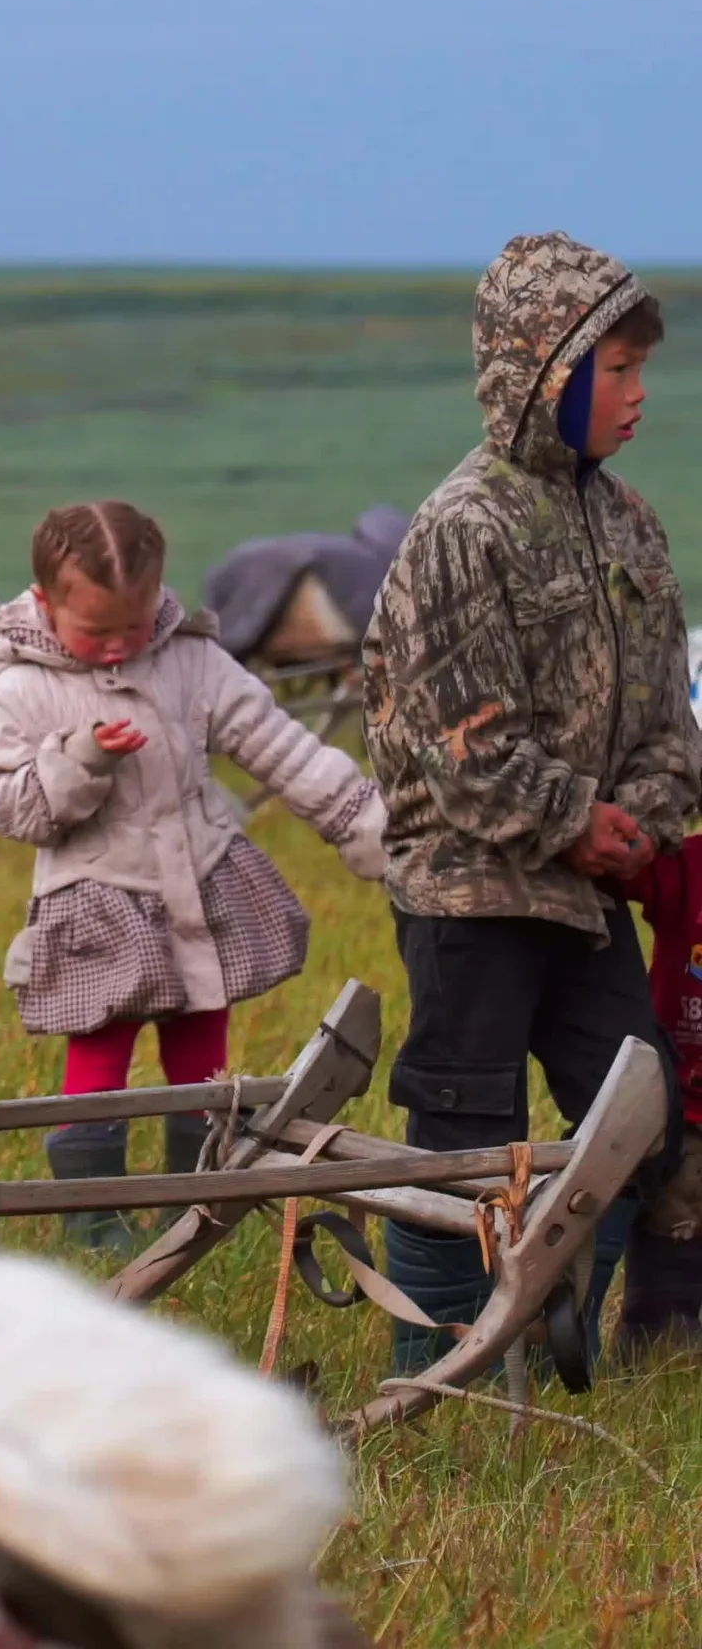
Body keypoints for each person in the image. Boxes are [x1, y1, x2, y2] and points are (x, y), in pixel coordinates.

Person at [364, 232, 694, 1371]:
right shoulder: (467, 527)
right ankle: (435, 1362)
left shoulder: (632, 527)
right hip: (472, 893)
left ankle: (583, 1328)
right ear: (547, 374)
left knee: (636, 1118)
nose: (641, 395)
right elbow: (459, 738)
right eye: (620, 371)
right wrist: (575, 821)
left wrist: (638, 818)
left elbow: (669, 724)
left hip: (586, 894)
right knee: (463, 1135)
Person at [0, 500, 387, 1252]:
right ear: (43, 603)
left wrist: (359, 818)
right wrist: (79, 759)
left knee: (202, 1031)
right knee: (100, 1044)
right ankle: (94, 1216)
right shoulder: (22, 692)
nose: (117, 647)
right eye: (95, 632)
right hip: (98, 895)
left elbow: (279, 746)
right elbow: (6, 804)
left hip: (201, 877)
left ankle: (196, 1198)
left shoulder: (191, 661)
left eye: (134, 626)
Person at [608, 844, 702, 1349]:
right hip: (684, 1105)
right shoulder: (688, 866)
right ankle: (659, 1345)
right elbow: (620, 871)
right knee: (675, 1218)